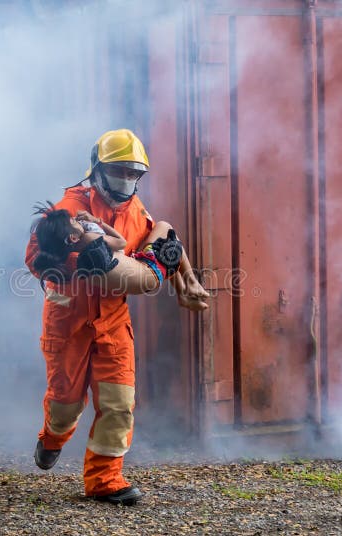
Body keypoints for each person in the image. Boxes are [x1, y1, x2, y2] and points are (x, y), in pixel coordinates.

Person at [24, 129, 209, 506]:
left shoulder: (136, 213)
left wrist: (187, 283)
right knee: (66, 403)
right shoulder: (69, 208)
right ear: (97, 169)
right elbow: (35, 256)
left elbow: (168, 241)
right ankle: (53, 437)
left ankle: (105, 480)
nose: (126, 180)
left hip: (112, 322)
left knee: (119, 402)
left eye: (133, 172)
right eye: (118, 170)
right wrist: (74, 265)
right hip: (69, 322)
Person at [31, 202, 185, 295]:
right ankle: (189, 286)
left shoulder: (76, 260)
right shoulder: (89, 239)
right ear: (73, 238)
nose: (79, 221)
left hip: (146, 277)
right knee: (164, 226)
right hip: (151, 273)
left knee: (165, 240)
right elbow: (121, 243)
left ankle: (187, 288)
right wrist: (97, 221)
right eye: (74, 221)